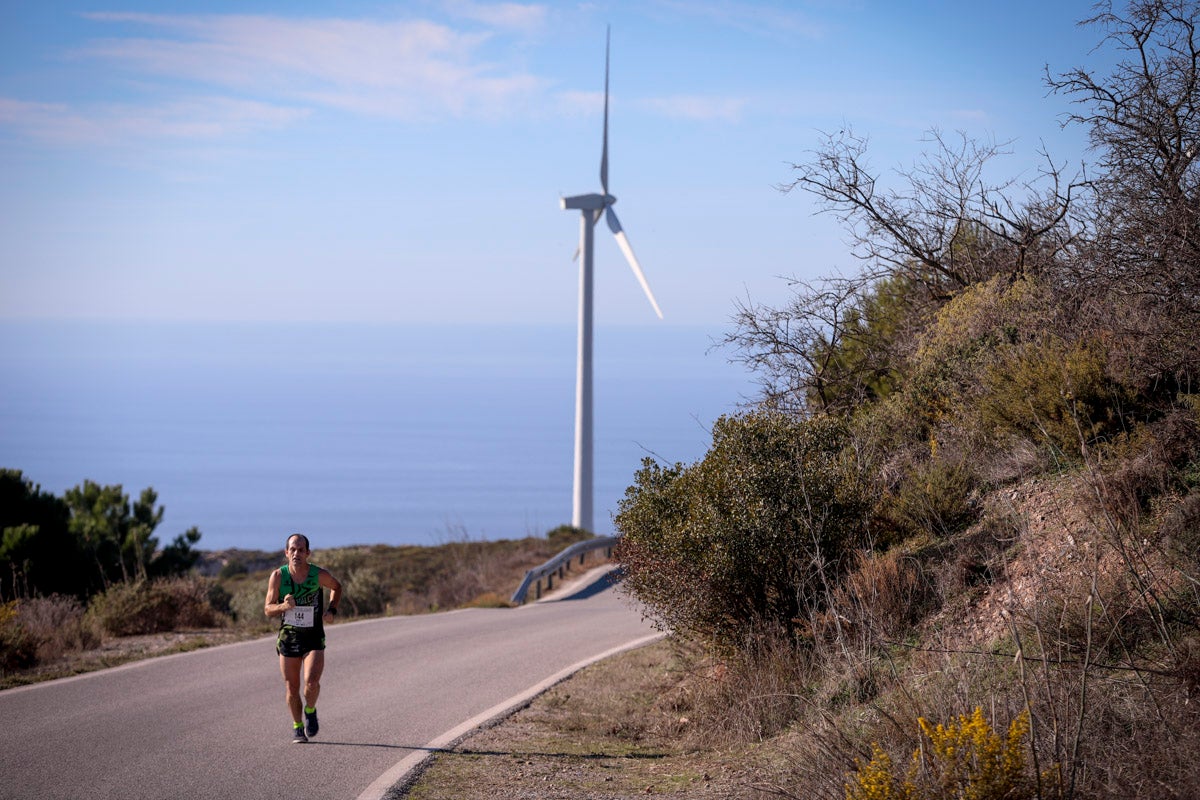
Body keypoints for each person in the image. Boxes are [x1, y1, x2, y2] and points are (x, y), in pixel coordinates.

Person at [264, 532, 343, 743]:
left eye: (300, 550)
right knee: (291, 688)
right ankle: (298, 726)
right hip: (289, 637)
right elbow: (268, 609)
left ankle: (310, 710)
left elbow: (337, 587)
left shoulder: (318, 575)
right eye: (292, 549)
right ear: (286, 552)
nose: (296, 554)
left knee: (312, 682)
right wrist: (283, 606)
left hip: (313, 636)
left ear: (307, 553)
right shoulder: (278, 576)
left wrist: (332, 610)